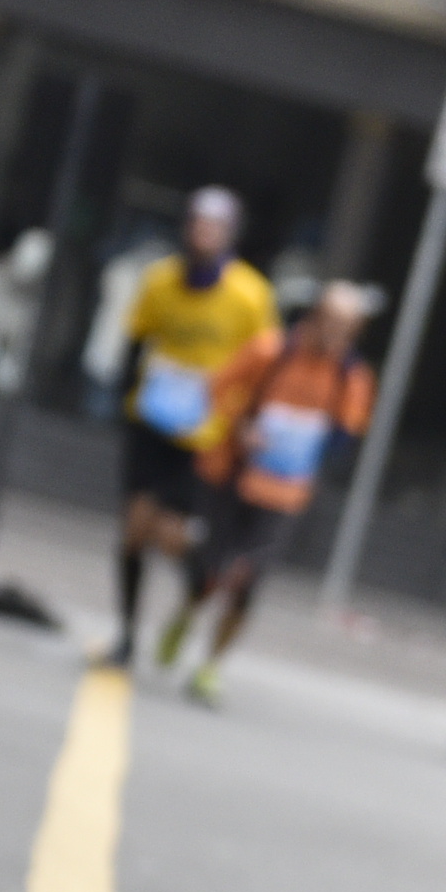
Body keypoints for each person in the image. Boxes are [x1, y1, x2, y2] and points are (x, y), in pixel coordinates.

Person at [147, 279, 377, 706]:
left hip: (285, 491)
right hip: (232, 475)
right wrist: (241, 426)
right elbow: (216, 389)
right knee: (209, 571)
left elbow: (347, 434)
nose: (336, 335)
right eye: (331, 322)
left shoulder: (351, 377)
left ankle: (210, 666)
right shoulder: (270, 351)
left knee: (248, 581)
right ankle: (187, 611)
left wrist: (312, 446)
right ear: (313, 316)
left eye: (347, 328)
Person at [106, 188, 277, 668]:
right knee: (134, 530)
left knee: (172, 536)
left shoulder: (249, 295)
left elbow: (265, 366)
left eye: (215, 226)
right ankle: (127, 632)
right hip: (154, 422)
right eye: (198, 223)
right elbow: (137, 340)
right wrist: (126, 398)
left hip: (206, 435)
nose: (204, 234)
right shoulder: (160, 281)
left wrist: (245, 422)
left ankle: (198, 584)